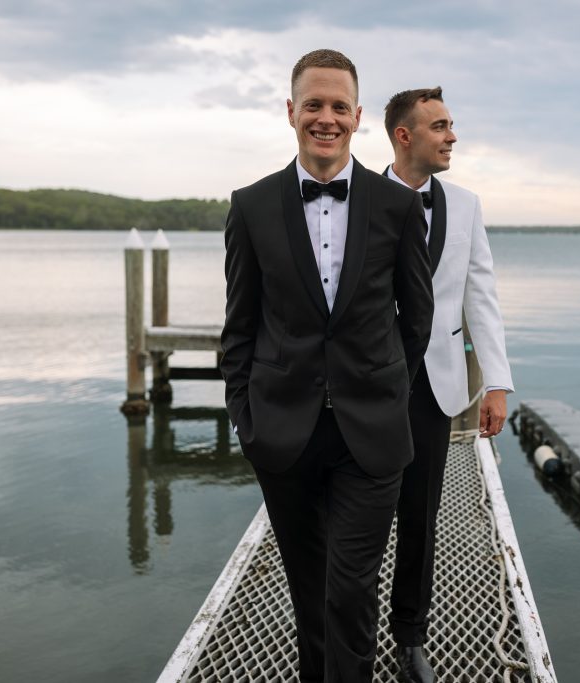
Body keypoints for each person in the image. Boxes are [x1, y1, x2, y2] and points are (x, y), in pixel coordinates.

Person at [219, 50, 434, 682]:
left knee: (349, 590)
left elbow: (416, 320)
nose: (326, 118)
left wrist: (390, 392)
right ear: (291, 112)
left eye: (339, 106)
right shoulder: (251, 206)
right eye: (313, 104)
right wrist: (245, 420)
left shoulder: (395, 207)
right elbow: (239, 327)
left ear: (358, 116)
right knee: (308, 591)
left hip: (370, 434)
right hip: (282, 431)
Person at [382, 86, 514, 683]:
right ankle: (344, 630)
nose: (452, 136)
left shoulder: (464, 205)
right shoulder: (357, 198)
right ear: (404, 135)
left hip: (434, 384)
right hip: (362, 388)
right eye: (439, 126)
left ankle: (410, 638)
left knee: (421, 514)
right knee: (347, 515)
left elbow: (480, 295)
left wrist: (496, 385)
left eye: (452, 124)